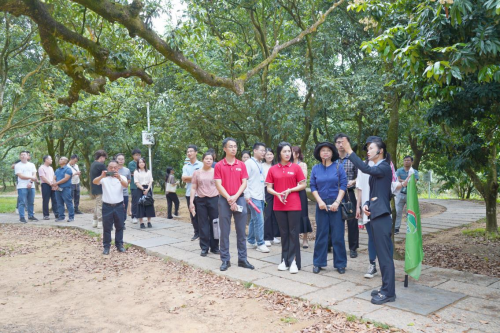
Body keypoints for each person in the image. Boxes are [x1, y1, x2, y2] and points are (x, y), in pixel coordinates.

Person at [342, 136, 396, 305]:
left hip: (381, 217)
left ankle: (388, 293)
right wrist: (366, 204)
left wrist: (349, 151)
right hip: (375, 214)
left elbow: (365, 169)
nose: (368, 151)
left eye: (371, 148)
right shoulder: (378, 169)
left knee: (385, 256)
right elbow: (381, 194)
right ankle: (385, 288)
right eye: (367, 149)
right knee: (381, 255)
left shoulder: (384, 167)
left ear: (380, 151)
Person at [214, 137, 254, 271]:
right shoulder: (219, 165)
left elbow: (244, 182)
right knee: (224, 232)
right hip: (224, 201)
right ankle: (225, 260)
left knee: (241, 231)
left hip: (240, 199)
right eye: (230, 146)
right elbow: (218, 184)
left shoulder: (241, 165)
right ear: (224, 148)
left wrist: (235, 197)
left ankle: (242, 259)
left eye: (235, 146)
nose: (233, 149)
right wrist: (229, 198)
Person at [266, 142, 306, 274]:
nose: (288, 154)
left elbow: (303, 184)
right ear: (279, 153)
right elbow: (269, 188)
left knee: (293, 232)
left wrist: (290, 190)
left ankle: (293, 261)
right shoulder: (273, 169)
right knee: (283, 233)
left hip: (294, 204)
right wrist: (277, 193)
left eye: (289, 151)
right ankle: (284, 260)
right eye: (285, 151)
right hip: (278, 204)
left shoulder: (296, 167)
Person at [310, 142, 347, 274]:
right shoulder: (315, 168)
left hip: (336, 202)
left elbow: (343, 185)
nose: (325, 152)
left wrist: (337, 202)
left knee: (338, 235)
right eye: (323, 151)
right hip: (321, 203)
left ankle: (340, 263)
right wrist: (319, 201)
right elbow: (313, 186)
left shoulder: (338, 167)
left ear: (332, 153)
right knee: (321, 234)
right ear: (319, 154)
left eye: (328, 150)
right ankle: (318, 263)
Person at [93, 160, 128, 255]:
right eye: (111, 167)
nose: (113, 169)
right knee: (107, 227)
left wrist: (119, 178)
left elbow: (126, 185)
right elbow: (94, 181)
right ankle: (106, 247)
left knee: (120, 226)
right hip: (107, 206)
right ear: (107, 168)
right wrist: (102, 175)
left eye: (115, 168)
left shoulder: (122, 177)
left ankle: (119, 245)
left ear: (118, 168)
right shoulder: (104, 179)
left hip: (119, 205)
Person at [190, 152, 220, 256]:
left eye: (210, 159)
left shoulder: (216, 171)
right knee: (203, 224)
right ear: (203, 160)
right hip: (201, 200)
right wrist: (191, 202)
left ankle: (215, 247)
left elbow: (220, 186)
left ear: (213, 160)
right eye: (206, 158)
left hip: (214, 199)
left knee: (215, 223)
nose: (208, 160)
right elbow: (193, 188)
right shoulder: (197, 173)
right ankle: (204, 247)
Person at [335, 133, 359, 258]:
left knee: (352, 221)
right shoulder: (332, 159)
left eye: (343, 142)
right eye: (338, 142)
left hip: (349, 193)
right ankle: (332, 245)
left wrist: (353, 181)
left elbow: (360, 175)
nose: (340, 145)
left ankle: (353, 248)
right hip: (335, 193)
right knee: (335, 220)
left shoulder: (353, 159)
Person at [244, 143, 270, 253]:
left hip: (260, 196)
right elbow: (244, 179)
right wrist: (246, 194)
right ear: (255, 151)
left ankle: (250, 241)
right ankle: (260, 243)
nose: (264, 152)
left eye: (264, 151)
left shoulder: (260, 164)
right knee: (259, 220)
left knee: (254, 219)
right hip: (252, 196)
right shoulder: (249, 163)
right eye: (262, 150)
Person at [292, 146, 312, 249]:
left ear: (298, 154)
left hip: (300, 192)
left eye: (292, 152)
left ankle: (305, 239)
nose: (289, 153)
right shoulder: (287, 164)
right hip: (290, 192)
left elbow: (302, 179)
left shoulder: (302, 164)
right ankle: (293, 238)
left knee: (304, 214)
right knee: (291, 215)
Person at [182, 145, 203, 241]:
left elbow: (202, 178)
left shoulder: (201, 165)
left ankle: (203, 233)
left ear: (196, 152)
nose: (189, 153)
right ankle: (196, 232)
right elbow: (184, 179)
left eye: (191, 151)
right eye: (188, 152)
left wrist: (190, 177)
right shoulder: (185, 166)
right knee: (192, 214)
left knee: (201, 214)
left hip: (201, 193)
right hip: (189, 193)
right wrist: (195, 176)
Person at [395, 156, 419, 234]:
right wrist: (407, 180)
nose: (406, 162)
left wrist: (403, 181)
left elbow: (414, 181)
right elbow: (397, 179)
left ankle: (410, 228)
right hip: (400, 194)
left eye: (408, 160)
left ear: (411, 162)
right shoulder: (399, 170)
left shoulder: (414, 171)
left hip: (410, 195)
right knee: (398, 211)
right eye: (405, 160)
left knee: (410, 212)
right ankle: (396, 228)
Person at [263, 148, 280, 247]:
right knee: (268, 213)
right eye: (267, 154)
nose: (269, 156)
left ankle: (274, 235)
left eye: (271, 154)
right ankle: (267, 237)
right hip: (266, 192)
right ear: (264, 156)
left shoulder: (277, 166)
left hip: (277, 191)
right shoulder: (262, 166)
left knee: (275, 214)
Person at [15, 151, 38, 223]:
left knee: (31, 201)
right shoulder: (18, 165)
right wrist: (31, 178)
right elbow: (21, 176)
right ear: (20, 157)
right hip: (22, 186)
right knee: (22, 202)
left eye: (24, 155)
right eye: (21, 155)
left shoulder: (32, 165)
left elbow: (34, 174)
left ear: (27, 156)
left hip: (31, 186)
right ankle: (22, 217)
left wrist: (31, 182)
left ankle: (31, 216)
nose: (23, 156)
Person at [134, 158, 155, 228]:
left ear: (145, 163)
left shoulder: (148, 171)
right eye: (140, 162)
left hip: (148, 188)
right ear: (138, 164)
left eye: (143, 162)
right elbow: (136, 182)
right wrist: (143, 189)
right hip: (140, 189)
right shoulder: (136, 172)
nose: (141, 163)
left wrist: (147, 189)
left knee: (149, 204)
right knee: (140, 205)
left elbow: (151, 181)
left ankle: (149, 222)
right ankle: (141, 223)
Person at [53, 156, 75, 222]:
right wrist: (55, 184)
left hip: (66, 188)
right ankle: (61, 216)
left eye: (61, 159)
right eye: (60, 159)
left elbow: (66, 178)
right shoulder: (57, 170)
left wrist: (56, 183)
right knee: (59, 203)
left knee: (68, 203)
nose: (60, 160)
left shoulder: (68, 169)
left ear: (65, 161)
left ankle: (71, 217)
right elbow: (54, 178)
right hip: (58, 189)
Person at [90, 150, 107, 228]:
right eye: (104, 157)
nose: (104, 159)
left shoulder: (93, 164)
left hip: (94, 188)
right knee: (100, 205)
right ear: (102, 157)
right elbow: (107, 175)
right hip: (100, 187)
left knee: (97, 205)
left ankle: (94, 221)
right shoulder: (101, 165)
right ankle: (100, 222)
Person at [38, 155, 58, 220]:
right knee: (46, 200)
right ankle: (46, 215)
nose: (52, 160)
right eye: (50, 159)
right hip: (45, 185)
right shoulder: (41, 168)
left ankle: (57, 213)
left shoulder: (51, 168)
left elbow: (53, 176)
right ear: (46, 160)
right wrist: (50, 183)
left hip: (52, 184)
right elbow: (43, 177)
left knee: (54, 200)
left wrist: (53, 184)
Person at [116, 153, 131, 226]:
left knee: (124, 208)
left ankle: (122, 223)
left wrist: (123, 183)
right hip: (115, 193)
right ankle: (115, 222)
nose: (121, 160)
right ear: (116, 160)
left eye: (122, 159)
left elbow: (129, 180)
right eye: (119, 159)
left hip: (124, 192)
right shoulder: (114, 170)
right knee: (115, 209)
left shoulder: (127, 170)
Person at [128, 148, 142, 224]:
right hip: (134, 185)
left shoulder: (142, 162)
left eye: (139, 155)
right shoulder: (131, 164)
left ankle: (140, 215)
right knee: (135, 201)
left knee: (142, 201)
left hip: (142, 185)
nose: (138, 156)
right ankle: (134, 216)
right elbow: (134, 173)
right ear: (133, 156)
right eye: (136, 155)